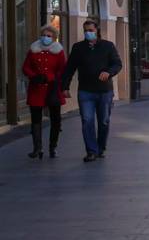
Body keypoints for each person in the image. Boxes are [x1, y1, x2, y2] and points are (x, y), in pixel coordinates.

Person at [62, 19, 122, 162]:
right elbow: (70, 68)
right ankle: (91, 151)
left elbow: (117, 64)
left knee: (104, 121)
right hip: (86, 91)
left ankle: (100, 147)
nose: (88, 33)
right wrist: (65, 86)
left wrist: (109, 72)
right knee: (87, 120)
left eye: (91, 30)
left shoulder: (108, 46)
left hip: (104, 91)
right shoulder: (78, 48)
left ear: (97, 31)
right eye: (86, 31)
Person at [22, 25, 66, 159]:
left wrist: (51, 77)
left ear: (54, 38)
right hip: (36, 89)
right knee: (36, 119)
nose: (45, 38)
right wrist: (33, 76)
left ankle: (53, 147)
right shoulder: (33, 50)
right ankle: (37, 148)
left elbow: (62, 69)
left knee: (55, 119)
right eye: (44, 35)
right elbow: (25, 67)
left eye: (49, 36)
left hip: (52, 89)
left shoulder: (58, 52)